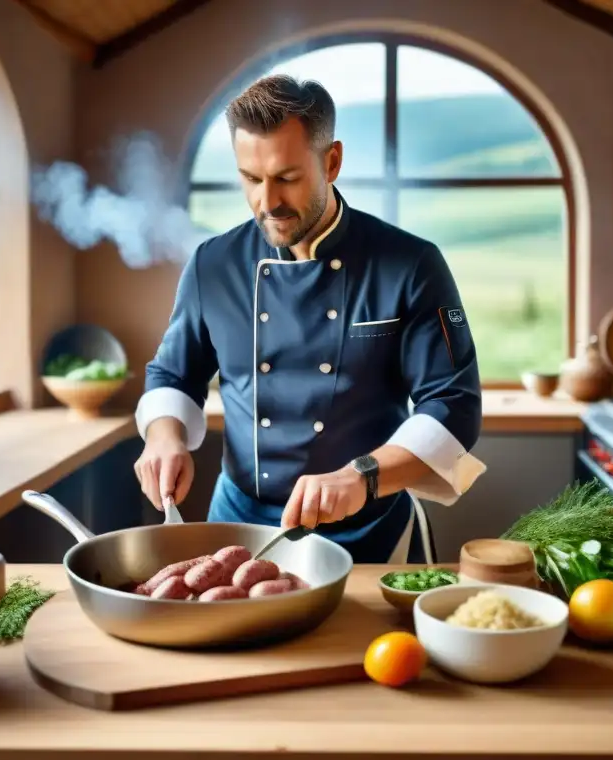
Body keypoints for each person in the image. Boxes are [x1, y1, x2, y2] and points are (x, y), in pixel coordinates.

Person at [133, 74, 486, 564]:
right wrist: (164, 437)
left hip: (370, 530)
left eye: (287, 178)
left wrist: (362, 475)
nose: (267, 202)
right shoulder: (213, 264)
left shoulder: (411, 264)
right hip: (237, 527)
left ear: (332, 161)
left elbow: (453, 404)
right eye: (251, 179)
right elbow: (173, 373)